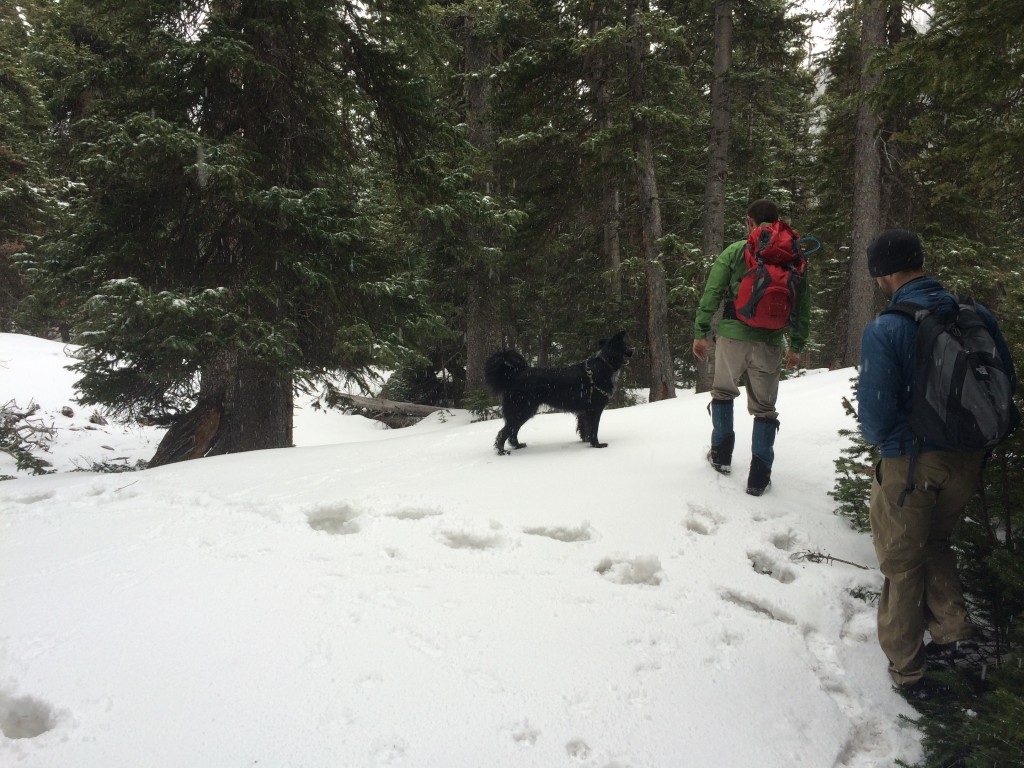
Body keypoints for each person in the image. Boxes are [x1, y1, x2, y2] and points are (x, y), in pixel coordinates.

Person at [857, 229, 1017, 691]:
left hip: (911, 464)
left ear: (885, 273)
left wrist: (892, 449)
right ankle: (953, 633)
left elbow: (874, 419)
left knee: (902, 564)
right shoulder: (974, 314)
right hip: (969, 459)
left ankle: (907, 672)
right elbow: (1006, 380)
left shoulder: (887, 328)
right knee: (937, 542)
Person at [692, 199, 810, 496]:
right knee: (765, 409)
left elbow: (713, 292)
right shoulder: (793, 257)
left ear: (750, 222)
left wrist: (701, 331)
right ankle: (759, 477)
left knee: (722, 393)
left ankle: (720, 457)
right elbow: (802, 305)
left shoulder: (736, 251)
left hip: (733, 336)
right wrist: (796, 344)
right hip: (770, 341)